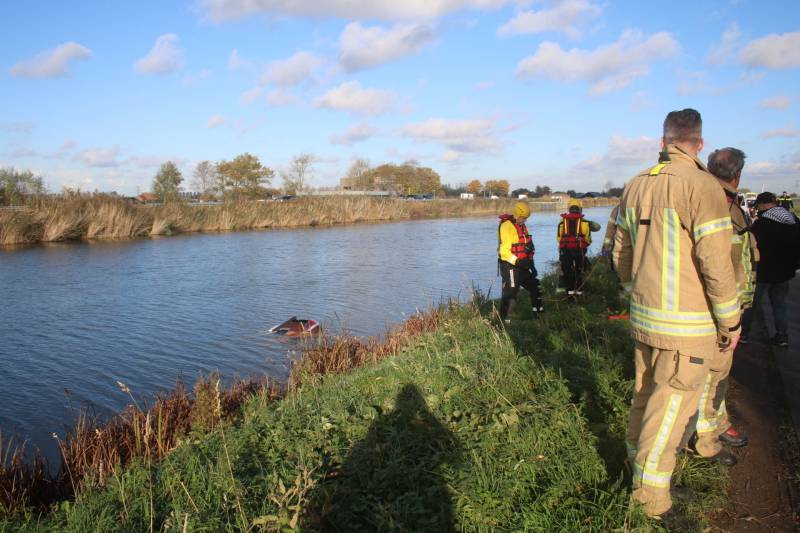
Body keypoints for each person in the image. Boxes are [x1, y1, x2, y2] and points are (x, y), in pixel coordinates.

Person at [613, 109, 740, 520]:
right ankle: (651, 500)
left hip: (644, 318)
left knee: (645, 398)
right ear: (699, 143)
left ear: (664, 139)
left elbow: (620, 252)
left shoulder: (634, 185)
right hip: (687, 328)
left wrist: (636, 293)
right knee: (671, 412)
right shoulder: (702, 186)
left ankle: (640, 474)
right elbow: (716, 264)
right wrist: (730, 322)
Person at [685, 147, 758, 462]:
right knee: (711, 375)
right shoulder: (716, 203)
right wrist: (729, 318)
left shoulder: (720, 200)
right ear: (737, 175)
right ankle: (704, 440)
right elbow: (716, 265)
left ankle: (717, 423)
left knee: (720, 374)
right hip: (717, 308)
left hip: (727, 304)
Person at [740, 192, 800, 347]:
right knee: (779, 305)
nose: (758, 209)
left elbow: (751, 245)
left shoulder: (763, 223)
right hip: (784, 273)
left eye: (758, 206)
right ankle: (782, 336)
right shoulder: (793, 221)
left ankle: (744, 334)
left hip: (763, 272)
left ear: (765, 204)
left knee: (751, 305)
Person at [497, 201, 543, 323]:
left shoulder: (521, 226)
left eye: (526, 218)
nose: (525, 220)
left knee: (535, 286)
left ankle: (538, 315)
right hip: (510, 265)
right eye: (523, 218)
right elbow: (504, 252)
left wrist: (531, 265)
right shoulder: (507, 226)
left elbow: (527, 247)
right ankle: (504, 321)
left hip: (522, 264)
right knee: (511, 292)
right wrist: (519, 262)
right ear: (517, 214)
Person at [556, 198, 600, 296]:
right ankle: (579, 293)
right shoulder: (584, 223)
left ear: (569, 208)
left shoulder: (562, 222)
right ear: (580, 209)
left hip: (565, 251)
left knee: (567, 272)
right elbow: (588, 240)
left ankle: (569, 295)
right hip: (579, 251)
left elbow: (559, 239)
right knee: (579, 271)